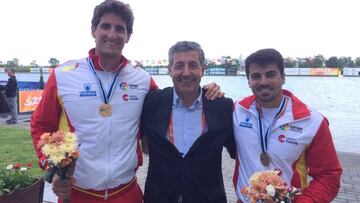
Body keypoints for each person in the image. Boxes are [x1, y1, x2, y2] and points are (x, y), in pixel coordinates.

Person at [30, 1, 221, 203]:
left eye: (120, 29)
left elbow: (176, 98)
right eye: (105, 26)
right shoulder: (63, 75)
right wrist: (53, 167)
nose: (112, 34)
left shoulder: (142, 79)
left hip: (127, 194)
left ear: (128, 35)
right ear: (93, 30)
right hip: (78, 195)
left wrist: (207, 92)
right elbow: (41, 125)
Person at [232, 48, 342, 202]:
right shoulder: (236, 110)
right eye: (256, 76)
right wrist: (211, 90)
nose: (263, 81)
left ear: (283, 77)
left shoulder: (312, 122)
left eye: (270, 74)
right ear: (249, 81)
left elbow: (329, 175)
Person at [140, 41, 235, 203]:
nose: (186, 72)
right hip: (160, 197)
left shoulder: (222, 107)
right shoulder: (151, 102)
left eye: (193, 65)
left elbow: (240, 150)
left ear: (203, 70)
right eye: (179, 66)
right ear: (169, 70)